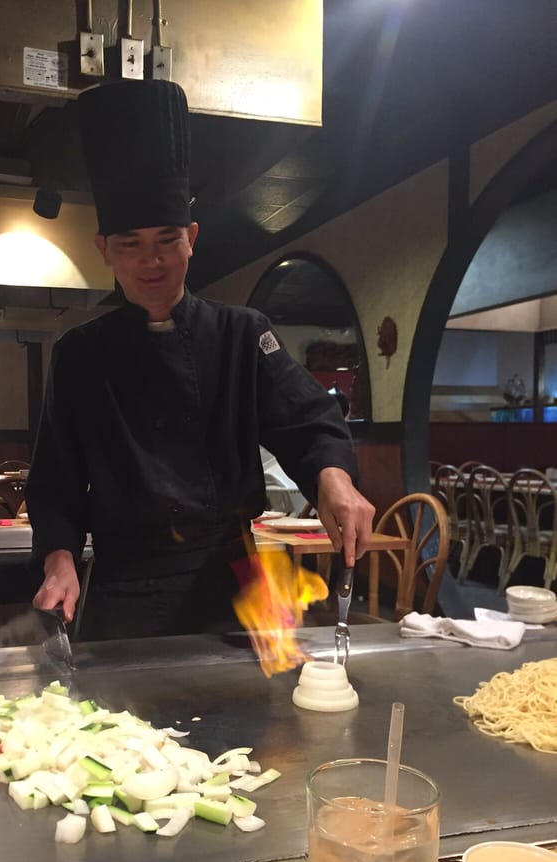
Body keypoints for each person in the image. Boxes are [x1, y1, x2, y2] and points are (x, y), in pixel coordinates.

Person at [27, 79, 374, 641]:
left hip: (236, 582)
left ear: (191, 237)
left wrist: (333, 478)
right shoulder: (78, 355)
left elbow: (309, 423)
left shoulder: (243, 335)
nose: (152, 261)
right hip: (124, 587)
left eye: (167, 240)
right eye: (131, 244)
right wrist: (59, 559)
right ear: (104, 250)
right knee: (118, 728)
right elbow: (54, 486)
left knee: (259, 725)